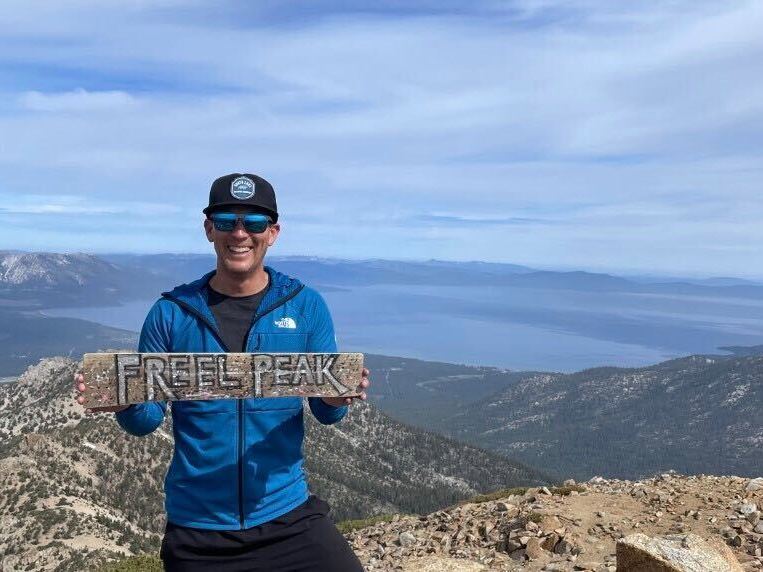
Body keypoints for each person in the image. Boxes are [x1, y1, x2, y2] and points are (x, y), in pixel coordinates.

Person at [75, 173, 369, 571]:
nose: (240, 234)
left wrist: (336, 397)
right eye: (227, 221)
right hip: (198, 528)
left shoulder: (305, 306)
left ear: (274, 232)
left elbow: (327, 411)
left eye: (255, 223)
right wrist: (123, 401)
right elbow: (145, 422)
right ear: (209, 229)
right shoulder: (171, 312)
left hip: (287, 512)